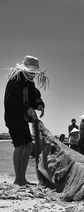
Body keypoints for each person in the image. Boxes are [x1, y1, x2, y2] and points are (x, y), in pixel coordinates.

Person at [4, 55, 49, 186]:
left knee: (29, 146)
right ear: (24, 70)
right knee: (19, 146)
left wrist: (40, 104)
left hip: (22, 119)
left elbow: (34, 96)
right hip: (13, 118)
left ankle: (22, 178)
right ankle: (18, 179)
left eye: (33, 73)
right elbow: (11, 103)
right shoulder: (14, 81)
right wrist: (26, 110)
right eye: (31, 73)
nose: (32, 75)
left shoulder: (30, 83)